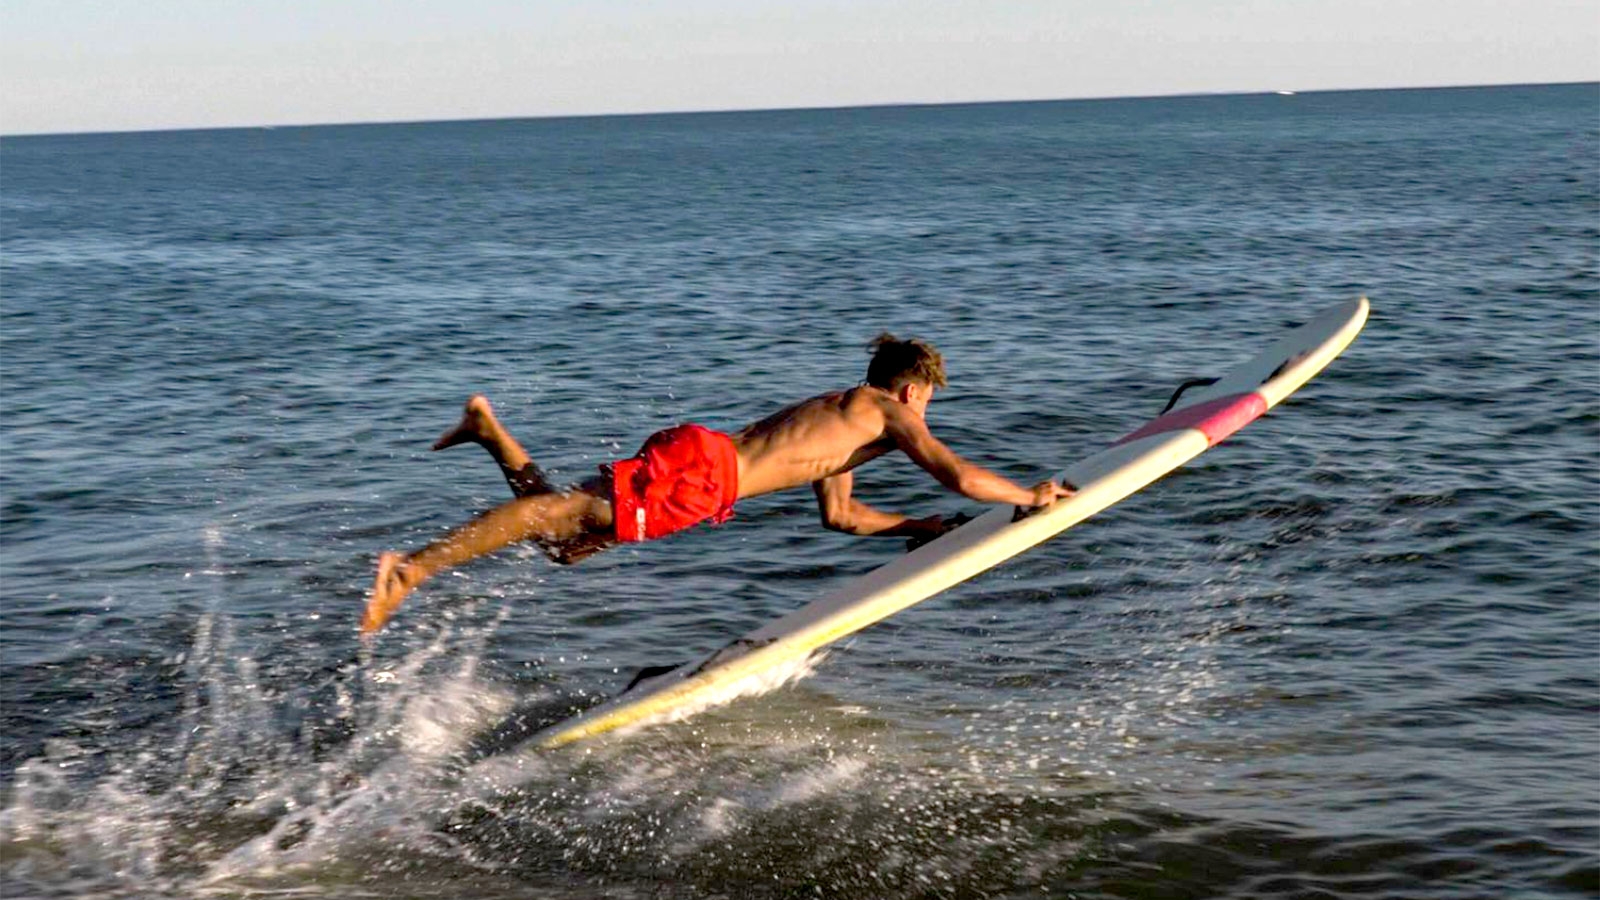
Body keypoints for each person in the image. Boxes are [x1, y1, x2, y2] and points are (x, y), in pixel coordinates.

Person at [362, 334, 1075, 633]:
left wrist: (916, 531)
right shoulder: (885, 411)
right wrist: (1030, 495)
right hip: (706, 476)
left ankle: (490, 431)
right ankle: (413, 569)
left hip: (705, 466)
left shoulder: (844, 421)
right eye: (930, 397)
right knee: (567, 516)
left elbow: (841, 517)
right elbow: (958, 475)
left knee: (568, 543)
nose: (928, 410)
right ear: (914, 388)